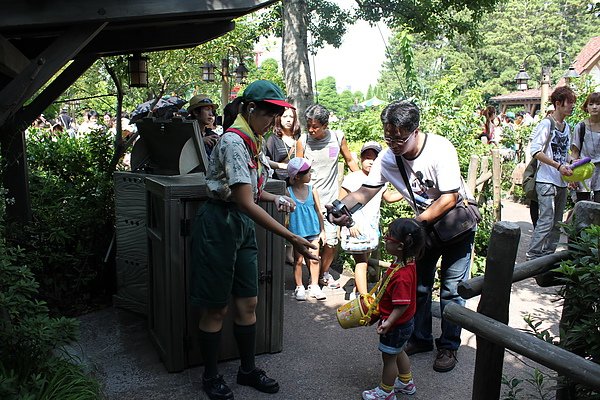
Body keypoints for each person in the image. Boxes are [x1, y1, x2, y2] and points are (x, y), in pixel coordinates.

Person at [190, 80, 318, 400]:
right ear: (250, 109)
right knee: (216, 307)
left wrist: (275, 200)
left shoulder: (254, 140)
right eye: (269, 114)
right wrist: (291, 236)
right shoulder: (234, 142)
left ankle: (247, 369)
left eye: (277, 115)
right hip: (219, 223)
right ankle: (210, 376)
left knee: (249, 301)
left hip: (241, 225)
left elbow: (251, 189)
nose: (274, 121)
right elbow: (244, 200)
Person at [326, 100, 476, 373]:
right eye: (388, 136)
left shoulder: (440, 149)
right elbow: (366, 191)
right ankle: (420, 339)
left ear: (415, 131)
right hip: (423, 229)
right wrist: (341, 207)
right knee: (418, 286)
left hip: (455, 227)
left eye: (399, 138)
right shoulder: (387, 157)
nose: (393, 143)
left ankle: (449, 347)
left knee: (452, 290)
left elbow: (450, 197)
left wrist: (413, 223)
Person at [296, 104, 360, 289]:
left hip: (331, 201)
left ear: (325, 125)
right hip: (308, 201)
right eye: (308, 124)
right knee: (311, 241)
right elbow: (298, 169)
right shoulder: (303, 141)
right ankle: (313, 278)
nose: (311, 129)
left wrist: (362, 181)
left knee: (332, 242)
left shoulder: (338, 138)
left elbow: (349, 160)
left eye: (315, 126)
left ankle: (322, 272)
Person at [361, 218, 426, 400]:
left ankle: (386, 391)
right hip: (404, 322)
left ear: (400, 245)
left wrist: (389, 321)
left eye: (389, 236)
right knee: (398, 351)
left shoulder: (402, 275)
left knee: (388, 358)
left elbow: (402, 304)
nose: (386, 238)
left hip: (396, 324)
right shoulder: (406, 262)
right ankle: (406, 382)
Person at [340, 141, 402, 299]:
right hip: (355, 226)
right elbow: (341, 203)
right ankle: (364, 297)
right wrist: (349, 223)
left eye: (374, 158)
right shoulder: (352, 178)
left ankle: (357, 291)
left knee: (364, 260)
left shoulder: (380, 180)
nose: (371, 161)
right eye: (367, 157)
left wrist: (407, 191)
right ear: (361, 159)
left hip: (371, 227)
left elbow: (389, 198)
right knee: (361, 261)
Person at [525, 86, 576, 261]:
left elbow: (564, 153)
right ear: (558, 104)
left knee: (557, 223)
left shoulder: (567, 126)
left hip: (561, 180)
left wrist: (571, 165)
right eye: (569, 103)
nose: (571, 106)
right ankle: (533, 255)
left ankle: (547, 257)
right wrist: (557, 166)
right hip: (546, 180)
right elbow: (536, 151)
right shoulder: (546, 124)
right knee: (546, 220)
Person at [286, 157, 326, 301]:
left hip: (314, 230)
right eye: (308, 173)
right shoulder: (287, 191)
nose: (310, 175)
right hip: (297, 232)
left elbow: (318, 210)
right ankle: (299, 286)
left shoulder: (312, 189)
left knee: (315, 259)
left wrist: (323, 230)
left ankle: (314, 285)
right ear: (297, 176)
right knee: (298, 260)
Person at [570, 92, 600, 203]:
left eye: (598, 103)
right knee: (582, 210)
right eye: (591, 104)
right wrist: (572, 174)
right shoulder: (581, 126)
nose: (594, 107)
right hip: (584, 173)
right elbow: (575, 152)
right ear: (586, 107)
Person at [265, 107, 301, 180]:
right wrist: (284, 166)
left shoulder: (299, 138)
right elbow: (266, 161)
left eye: (291, 117)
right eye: (284, 116)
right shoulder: (273, 139)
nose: (288, 120)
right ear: (279, 118)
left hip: (297, 181)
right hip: (280, 182)